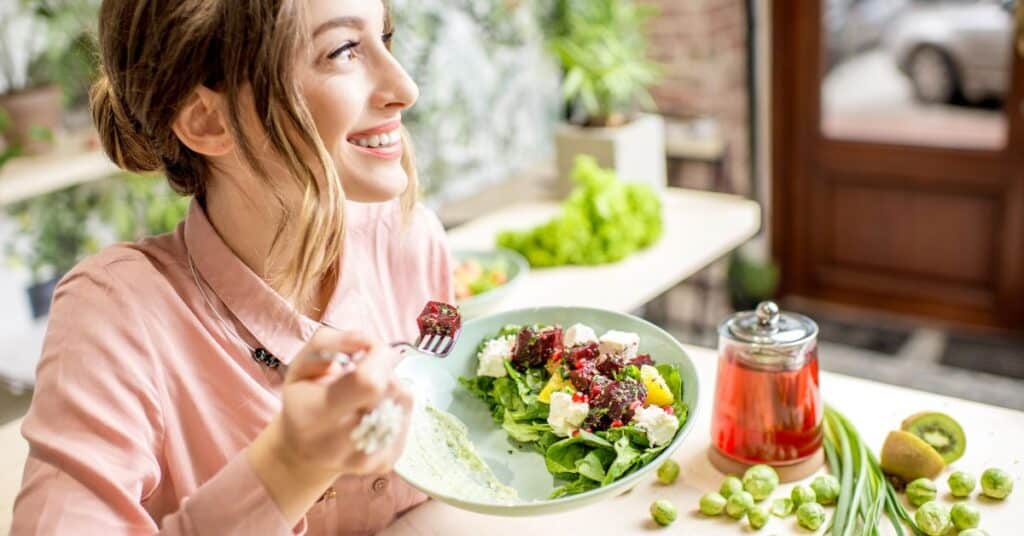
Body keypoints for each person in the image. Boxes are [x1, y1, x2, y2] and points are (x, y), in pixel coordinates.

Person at [11, 0, 452, 534]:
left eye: (385, 38)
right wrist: (290, 465)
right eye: (342, 50)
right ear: (207, 120)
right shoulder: (113, 316)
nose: (405, 87)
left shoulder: (410, 240)